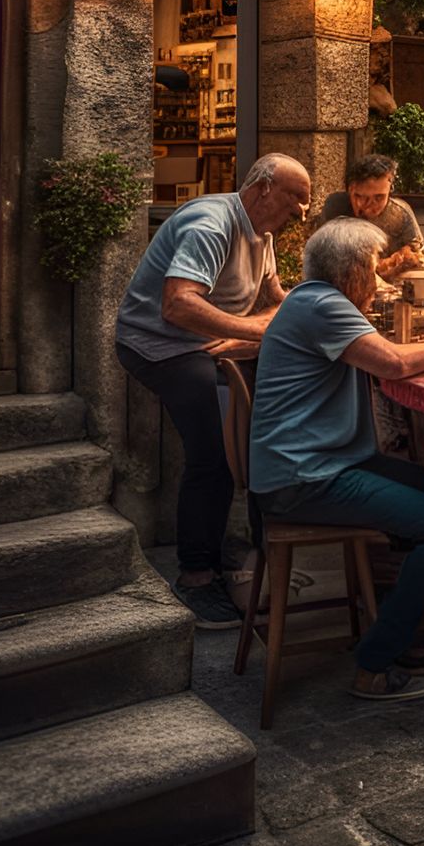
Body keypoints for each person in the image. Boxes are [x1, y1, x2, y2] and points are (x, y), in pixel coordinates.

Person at [250, 218, 424, 703]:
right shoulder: (325, 305)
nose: (378, 282)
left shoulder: (309, 300)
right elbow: (392, 363)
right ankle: (376, 662)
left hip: (304, 466)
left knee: (417, 479)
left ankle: (398, 613)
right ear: (350, 271)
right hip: (305, 478)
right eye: (372, 270)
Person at [115, 153, 311, 627]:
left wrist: (308, 314)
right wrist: (260, 331)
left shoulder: (261, 234)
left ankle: (251, 544)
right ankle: (196, 577)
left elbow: (274, 301)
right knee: (213, 456)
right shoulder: (210, 223)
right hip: (159, 346)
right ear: (263, 188)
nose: (301, 215)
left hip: (209, 344)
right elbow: (178, 306)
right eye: (295, 202)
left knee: (263, 430)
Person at [315, 153, 424, 280]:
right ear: (350, 189)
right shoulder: (335, 207)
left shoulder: (400, 213)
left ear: (390, 189)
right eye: (361, 197)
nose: (369, 205)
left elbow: (418, 254)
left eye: (379, 197)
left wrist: (406, 257)